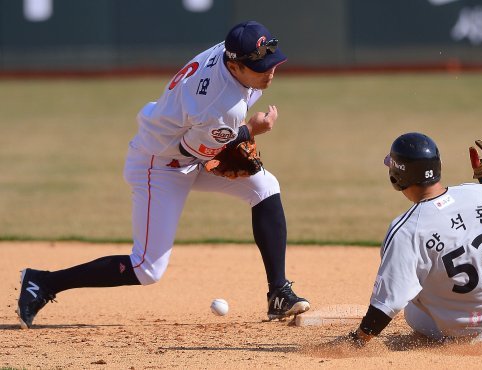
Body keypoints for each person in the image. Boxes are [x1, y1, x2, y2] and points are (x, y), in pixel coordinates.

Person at [16, 20, 310, 329]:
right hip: (159, 163)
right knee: (147, 268)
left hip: (188, 145)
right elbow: (194, 153)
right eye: (260, 66)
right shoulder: (222, 106)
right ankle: (43, 283)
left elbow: (202, 143)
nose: (269, 71)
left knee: (264, 187)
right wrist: (250, 130)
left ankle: (279, 293)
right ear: (235, 66)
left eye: (271, 62)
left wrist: (230, 140)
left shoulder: (230, 55)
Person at [345, 133, 482, 346]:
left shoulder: (407, 230)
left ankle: (471, 336)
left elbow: (387, 304)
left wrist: (356, 341)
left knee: (411, 307)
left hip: (468, 330)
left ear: (396, 177)